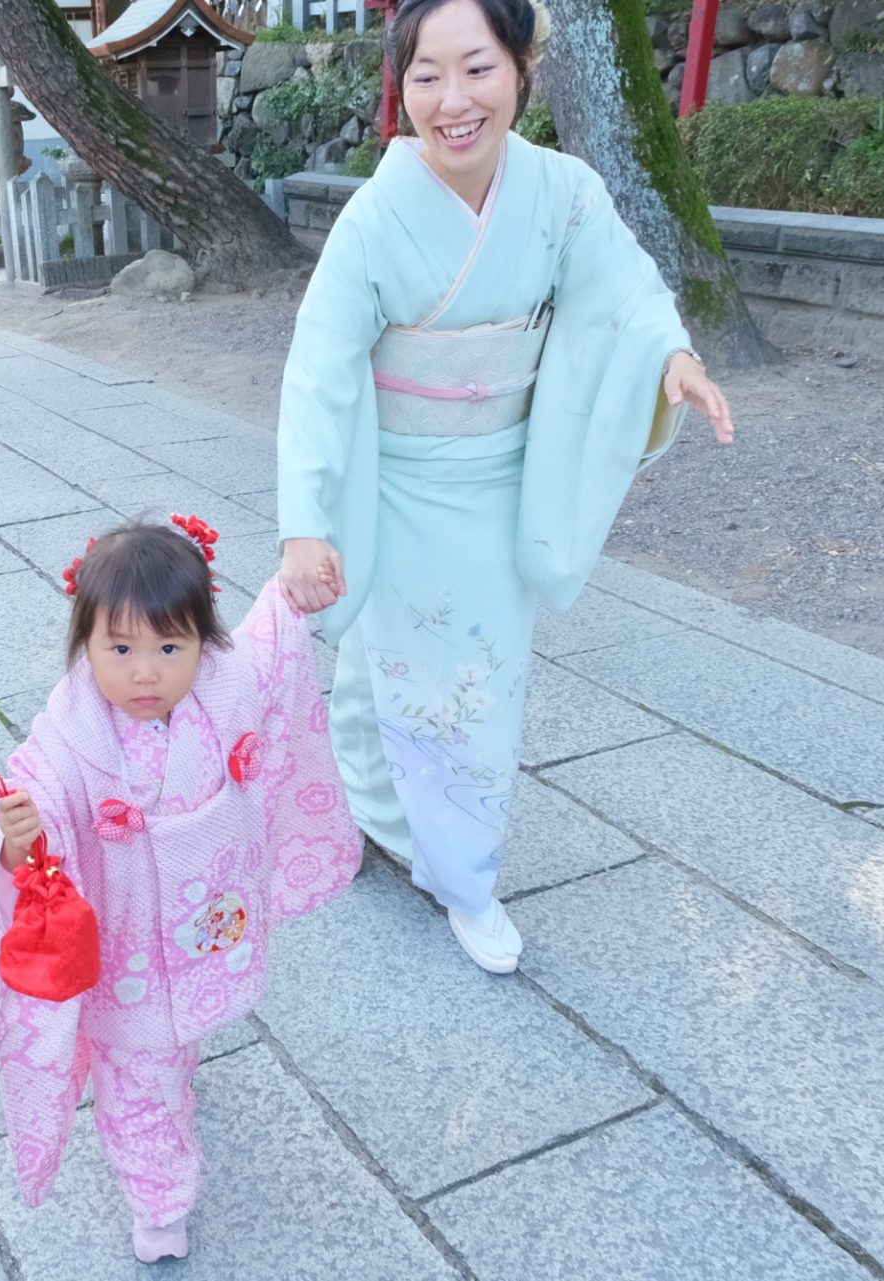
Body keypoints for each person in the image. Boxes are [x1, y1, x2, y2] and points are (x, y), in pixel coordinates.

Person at [276, 0, 734, 975]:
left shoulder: (561, 194)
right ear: (401, 87)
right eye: (428, 75)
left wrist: (671, 357)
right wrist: (306, 524)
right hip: (392, 484)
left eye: (477, 68)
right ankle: (363, 812)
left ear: (523, 66)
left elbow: (625, 289)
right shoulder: (375, 219)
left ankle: (461, 875)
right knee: (374, 661)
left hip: (499, 486)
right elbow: (318, 369)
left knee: (478, 687)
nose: (454, 100)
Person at [0, 519, 361, 1264]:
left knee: (177, 1047)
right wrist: (15, 842)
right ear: (85, 644)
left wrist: (293, 589)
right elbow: (27, 799)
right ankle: (159, 1196)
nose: (144, 673)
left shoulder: (227, 682)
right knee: (136, 1077)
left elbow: (271, 642)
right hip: (130, 958)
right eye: (120, 649)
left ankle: (174, 1087)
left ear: (203, 642)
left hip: (202, 934)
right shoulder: (68, 737)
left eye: (169, 647)